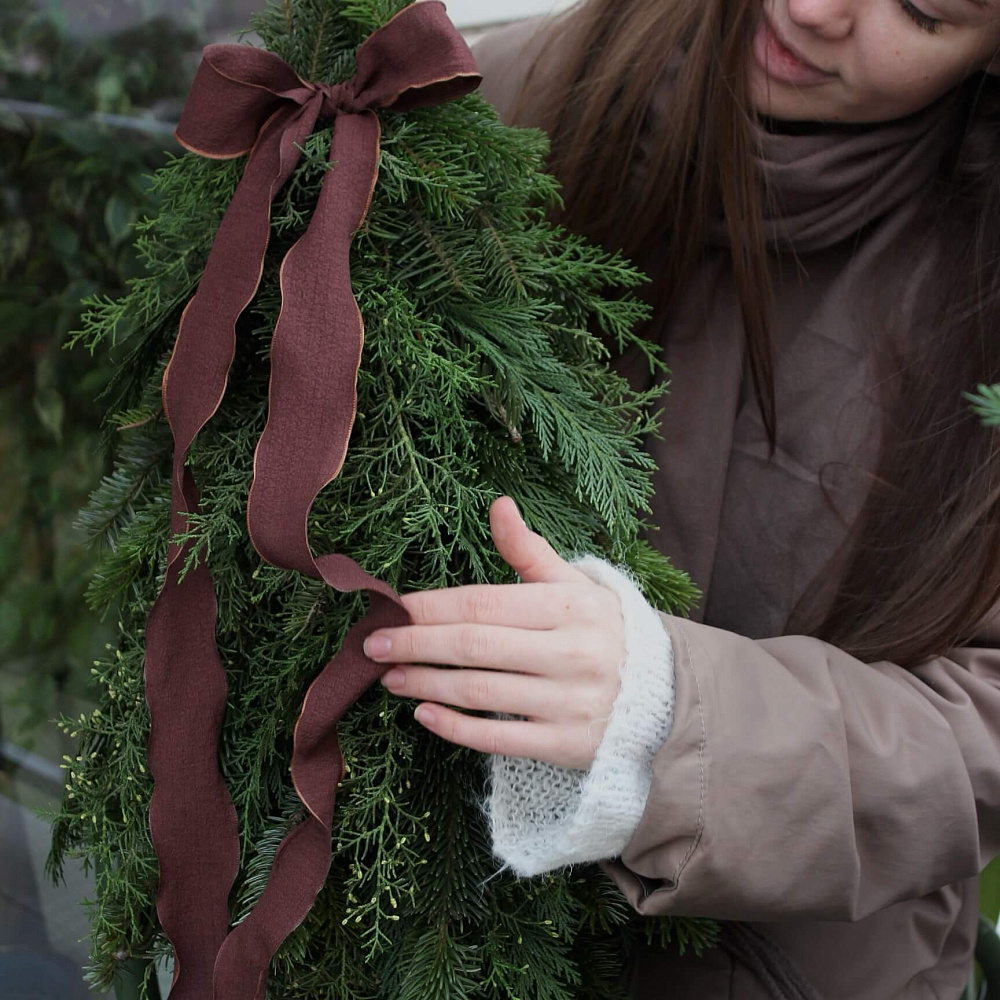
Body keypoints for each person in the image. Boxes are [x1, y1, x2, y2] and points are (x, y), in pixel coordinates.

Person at [360, 0, 1000, 995]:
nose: (814, 9)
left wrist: (671, 723)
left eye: (921, 9)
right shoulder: (512, 96)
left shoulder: (973, 277)